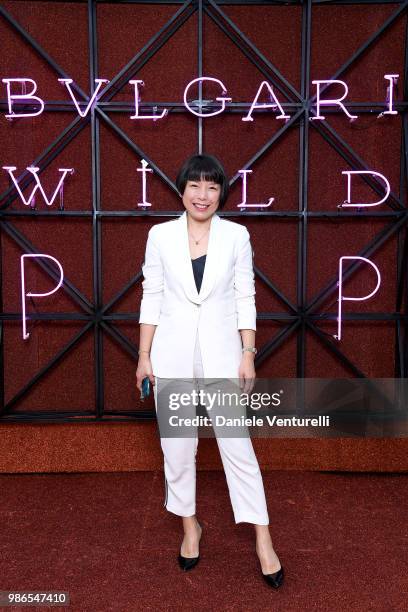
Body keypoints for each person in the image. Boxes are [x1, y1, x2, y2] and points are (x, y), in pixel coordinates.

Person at [136, 154, 284, 589]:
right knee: (178, 451)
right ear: (181, 190)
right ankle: (190, 529)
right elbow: (152, 296)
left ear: (221, 193)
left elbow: (245, 297)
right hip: (171, 355)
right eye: (195, 186)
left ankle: (263, 540)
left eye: (212, 187)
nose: (203, 195)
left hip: (223, 355)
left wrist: (248, 352)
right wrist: (144, 355)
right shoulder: (159, 236)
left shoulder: (237, 236)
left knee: (238, 450)